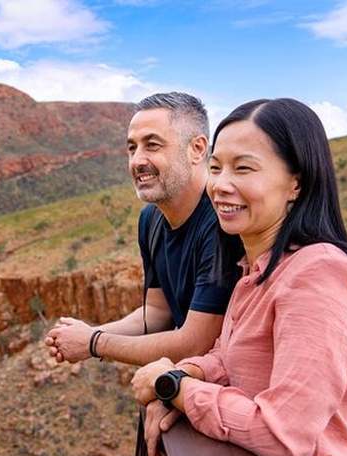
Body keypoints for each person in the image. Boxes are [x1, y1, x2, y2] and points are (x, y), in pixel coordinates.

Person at [131, 98, 347, 456]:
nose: (221, 185)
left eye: (243, 168)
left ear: (296, 182)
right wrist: (183, 374)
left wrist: (177, 391)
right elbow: (225, 359)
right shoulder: (259, 270)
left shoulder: (318, 276)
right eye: (216, 167)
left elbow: (284, 435)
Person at [45, 92, 235, 366]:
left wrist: (93, 342)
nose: (137, 161)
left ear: (197, 149)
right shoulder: (151, 220)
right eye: (132, 148)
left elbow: (196, 343)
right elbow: (158, 313)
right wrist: (86, 333)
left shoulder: (222, 222)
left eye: (153, 145)